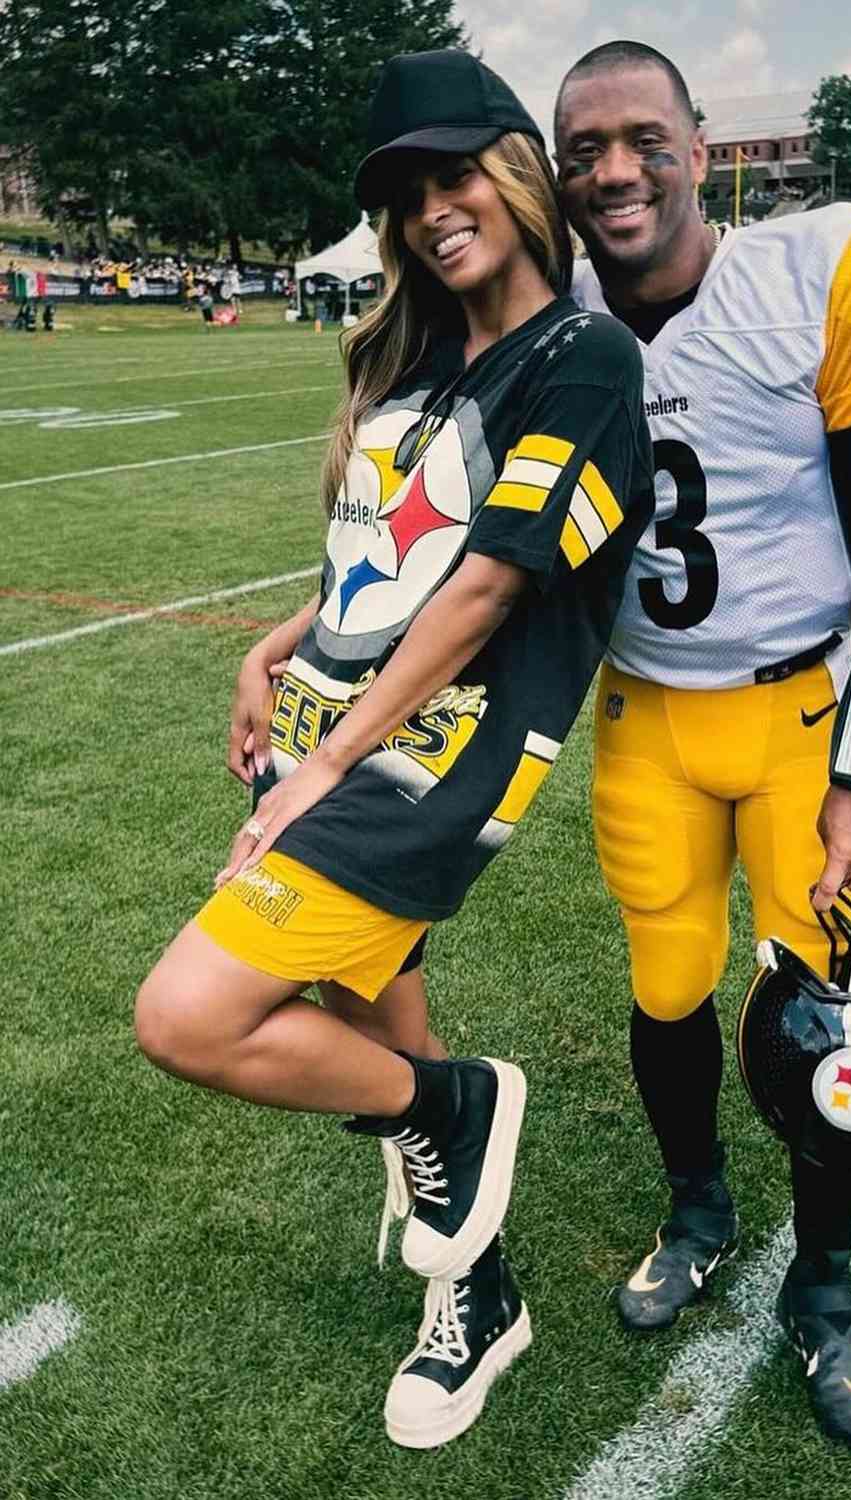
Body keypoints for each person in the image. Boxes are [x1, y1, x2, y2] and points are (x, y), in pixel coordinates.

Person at [134, 47, 652, 1452]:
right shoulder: (422, 354)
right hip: (335, 721)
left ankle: (465, 1106)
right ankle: (475, 1297)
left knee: (188, 1016)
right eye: (405, 196)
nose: (432, 213)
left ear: (517, 171)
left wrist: (321, 766)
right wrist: (274, 643)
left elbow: (489, 585)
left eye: (454, 175)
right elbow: (387, 561)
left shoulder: (585, 360)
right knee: (371, 1028)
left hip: (434, 758)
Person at [554, 41, 851, 1450]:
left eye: (642, 137)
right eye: (581, 146)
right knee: (666, 988)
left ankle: (825, 1288)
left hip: (800, 720)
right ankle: (699, 1209)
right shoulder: (554, 316)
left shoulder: (815, 273)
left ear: (699, 148)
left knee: (833, 1017)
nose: (611, 169)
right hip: (645, 715)